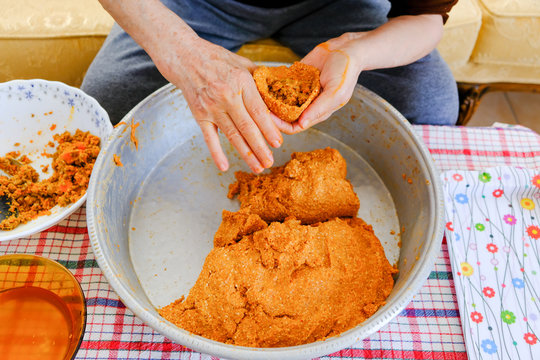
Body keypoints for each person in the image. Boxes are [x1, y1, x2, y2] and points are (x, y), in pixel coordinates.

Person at [82, 0, 459, 174]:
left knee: (430, 102)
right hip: (195, 4)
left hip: (339, 6)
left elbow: (424, 16)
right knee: (109, 96)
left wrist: (357, 53)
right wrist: (182, 54)